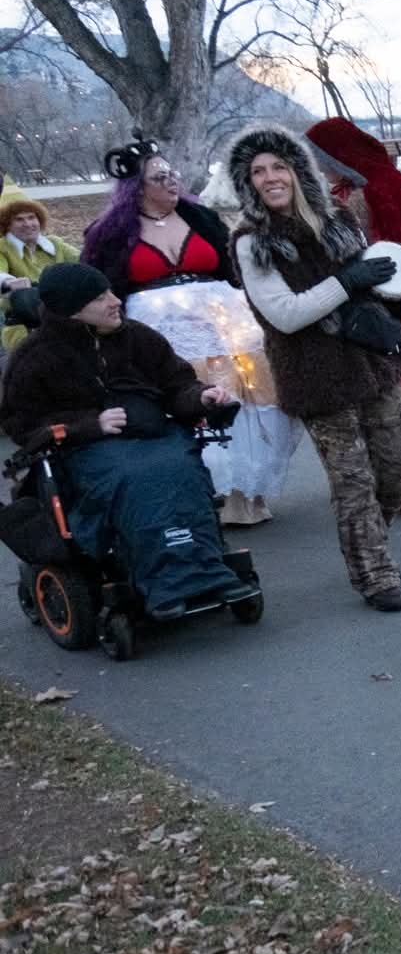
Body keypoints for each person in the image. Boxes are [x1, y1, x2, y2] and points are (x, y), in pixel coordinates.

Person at [226, 123, 401, 613]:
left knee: (400, 466)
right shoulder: (253, 242)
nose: (270, 177)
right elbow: (285, 315)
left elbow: (372, 283)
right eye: (257, 171)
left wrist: (397, 297)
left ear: (297, 171)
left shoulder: (339, 219)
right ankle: (373, 572)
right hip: (315, 374)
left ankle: (366, 539)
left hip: (372, 360)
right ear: (247, 183)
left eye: (278, 166)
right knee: (351, 480)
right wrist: (346, 280)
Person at [1, 262, 255, 618]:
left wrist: (201, 397)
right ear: (73, 311)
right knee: (136, 479)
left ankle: (205, 570)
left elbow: (176, 385)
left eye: (111, 291)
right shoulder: (34, 357)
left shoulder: (138, 337)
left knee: (182, 469)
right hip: (85, 452)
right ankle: (167, 584)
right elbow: (22, 425)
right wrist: (88, 425)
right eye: (100, 297)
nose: (115, 301)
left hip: (154, 435)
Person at [81, 134, 301, 527]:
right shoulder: (111, 233)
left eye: (172, 174)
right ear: (138, 186)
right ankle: (201, 494)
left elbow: (234, 266)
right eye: (159, 177)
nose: (171, 182)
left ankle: (245, 495)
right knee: (191, 402)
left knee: (247, 404)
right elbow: (100, 284)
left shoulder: (201, 218)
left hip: (228, 326)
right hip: (161, 335)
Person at [306, 117, 401, 517]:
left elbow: (387, 253)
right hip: (391, 299)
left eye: (322, 158)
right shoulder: (353, 189)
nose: (319, 166)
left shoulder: (379, 189)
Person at [2, 197, 81, 354]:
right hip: (23, 320)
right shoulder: (3, 247)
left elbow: (82, 259)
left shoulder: (54, 243)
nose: (28, 224)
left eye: (32, 217)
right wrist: (9, 282)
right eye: (19, 220)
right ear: (8, 225)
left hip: (62, 313)